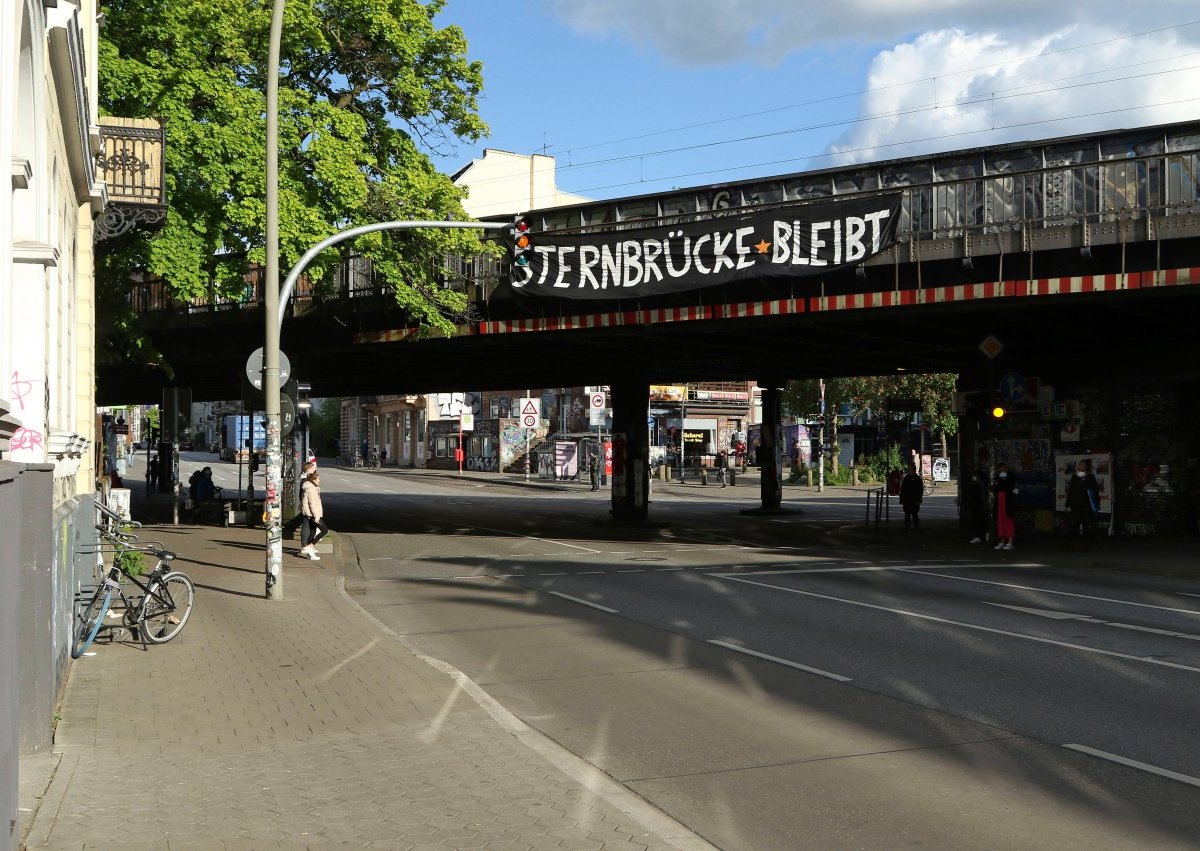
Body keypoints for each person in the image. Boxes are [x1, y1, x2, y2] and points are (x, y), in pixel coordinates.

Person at [1065, 458, 1101, 549]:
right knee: (1075, 524)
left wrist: (1097, 505)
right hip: (1076, 504)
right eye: (1079, 464)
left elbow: (1095, 491)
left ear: (1086, 467)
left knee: (1086, 524)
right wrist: (1068, 505)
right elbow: (1070, 491)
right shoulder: (1074, 477)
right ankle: (1076, 542)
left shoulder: (1090, 477)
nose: (1079, 466)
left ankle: (1084, 543)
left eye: (1082, 464)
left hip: (1086, 505)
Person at [299, 468, 327, 561]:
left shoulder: (311, 488)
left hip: (310, 514)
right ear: (313, 480)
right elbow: (312, 504)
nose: (319, 481)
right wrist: (317, 516)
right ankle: (309, 546)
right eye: (318, 479)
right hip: (313, 515)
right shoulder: (311, 489)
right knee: (324, 530)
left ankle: (310, 553)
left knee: (313, 531)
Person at [993, 462, 1018, 550]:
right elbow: (995, 488)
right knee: (1001, 520)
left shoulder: (1011, 476)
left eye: (1002, 468)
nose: (1001, 470)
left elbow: (1009, 486)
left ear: (1006, 468)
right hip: (1000, 500)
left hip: (1008, 501)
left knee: (1008, 520)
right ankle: (1002, 541)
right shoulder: (998, 476)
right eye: (1000, 468)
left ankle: (1010, 541)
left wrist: (999, 483)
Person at [297, 460, 317, 557]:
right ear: (308, 469)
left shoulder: (305, 479)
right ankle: (304, 546)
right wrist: (304, 505)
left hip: (306, 505)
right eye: (313, 468)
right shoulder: (305, 481)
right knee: (306, 525)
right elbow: (302, 495)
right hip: (307, 506)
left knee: (308, 525)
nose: (314, 469)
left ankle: (307, 545)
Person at [964, 468, 988, 543]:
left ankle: (978, 536)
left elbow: (971, 494)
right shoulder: (980, 484)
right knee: (981, 521)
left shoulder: (976, 484)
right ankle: (983, 536)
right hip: (978, 504)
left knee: (977, 521)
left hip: (976, 504)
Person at [899, 462, 924, 530]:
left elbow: (920, 490)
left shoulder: (917, 479)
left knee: (914, 514)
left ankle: (916, 526)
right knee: (907, 514)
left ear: (913, 469)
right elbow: (903, 489)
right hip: (907, 499)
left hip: (914, 499)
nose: (909, 470)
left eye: (910, 469)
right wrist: (902, 499)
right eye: (908, 469)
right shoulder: (906, 478)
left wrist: (919, 499)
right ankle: (907, 526)